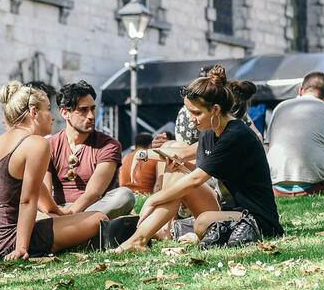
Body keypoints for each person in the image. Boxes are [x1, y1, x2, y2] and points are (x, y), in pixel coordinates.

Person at [116, 66, 284, 252]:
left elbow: (196, 180)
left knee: (202, 222)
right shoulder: (208, 133)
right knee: (176, 174)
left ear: (216, 109)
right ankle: (140, 239)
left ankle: (144, 237)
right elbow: (194, 169)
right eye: (189, 112)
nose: (191, 119)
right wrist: (167, 162)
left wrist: (152, 200)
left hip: (256, 218)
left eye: (196, 113)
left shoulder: (236, 134)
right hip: (227, 211)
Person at [0, 82, 105, 259]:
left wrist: (59, 211)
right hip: (3, 244)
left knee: (55, 218)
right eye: (48, 109)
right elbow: (27, 200)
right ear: (34, 112)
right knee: (98, 218)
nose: (53, 117)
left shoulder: (0, 141)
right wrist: (21, 248)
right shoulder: (36, 143)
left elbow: (39, 193)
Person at [45, 80, 135, 219]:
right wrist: (52, 211)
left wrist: (70, 213)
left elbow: (94, 192)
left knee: (124, 196)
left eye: (92, 109)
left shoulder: (109, 145)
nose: (91, 116)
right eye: (83, 110)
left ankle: (63, 227)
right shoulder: (49, 145)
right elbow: (44, 189)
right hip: (57, 210)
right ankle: (67, 227)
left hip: (92, 208)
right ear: (65, 113)